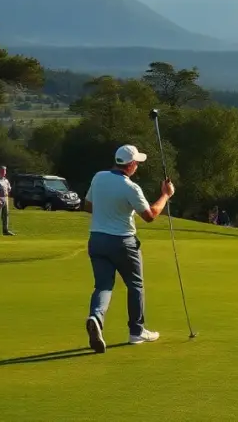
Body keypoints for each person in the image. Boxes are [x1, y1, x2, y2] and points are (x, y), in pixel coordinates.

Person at [84, 144, 175, 353]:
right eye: (137, 163)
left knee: (103, 286)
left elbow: (88, 206)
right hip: (123, 242)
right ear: (131, 164)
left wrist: (110, 209)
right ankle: (136, 331)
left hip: (97, 240)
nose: (137, 167)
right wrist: (166, 195)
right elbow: (150, 215)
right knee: (135, 286)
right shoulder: (130, 187)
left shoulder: (98, 177)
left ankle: (96, 317)